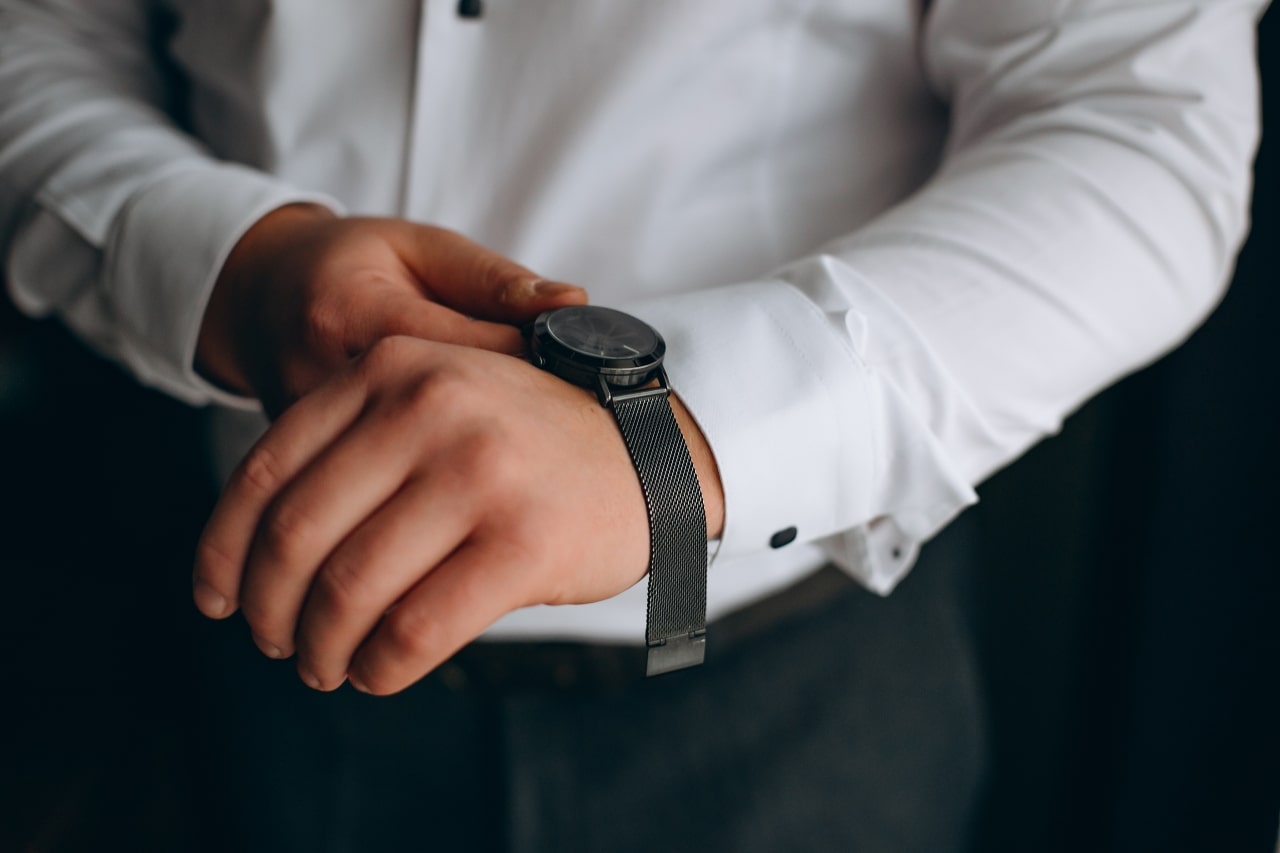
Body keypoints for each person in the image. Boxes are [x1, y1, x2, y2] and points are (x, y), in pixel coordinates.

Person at [0, 1, 1267, 851]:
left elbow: (1136, 114)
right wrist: (221, 258)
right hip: (258, 641)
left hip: (784, 697)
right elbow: (39, 32)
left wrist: (682, 440)